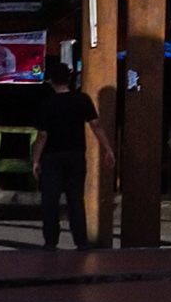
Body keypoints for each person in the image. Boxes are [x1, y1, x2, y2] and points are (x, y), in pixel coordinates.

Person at [30, 49, 111, 252]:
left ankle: (51, 241)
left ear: (51, 81)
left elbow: (42, 136)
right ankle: (81, 241)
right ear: (69, 79)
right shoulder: (82, 100)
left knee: (50, 200)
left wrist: (35, 160)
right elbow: (96, 125)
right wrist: (107, 149)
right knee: (76, 198)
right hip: (76, 154)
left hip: (52, 156)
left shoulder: (47, 104)